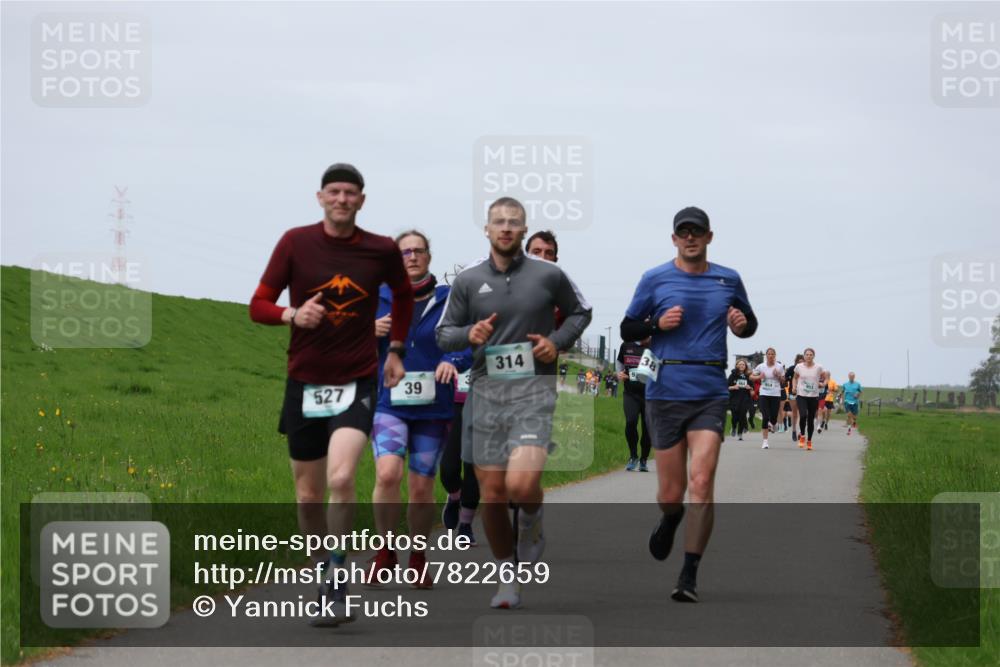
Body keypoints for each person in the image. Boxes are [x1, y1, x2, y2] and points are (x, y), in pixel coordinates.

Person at [249, 163, 413, 626]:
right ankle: (321, 568)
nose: (342, 200)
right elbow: (257, 304)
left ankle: (339, 575)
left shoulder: (380, 249)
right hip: (304, 380)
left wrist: (395, 350)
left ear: (362, 200)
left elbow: (402, 297)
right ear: (320, 197)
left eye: (351, 193)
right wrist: (290, 315)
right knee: (307, 496)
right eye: (334, 192)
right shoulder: (295, 243)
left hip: (356, 378)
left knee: (341, 480)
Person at [436, 196, 592, 609]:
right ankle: (507, 576)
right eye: (498, 222)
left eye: (514, 223)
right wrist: (468, 335)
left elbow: (581, 312)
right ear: (487, 230)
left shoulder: (549, 274)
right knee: (490, 493)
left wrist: (555, 343)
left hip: (532, 392)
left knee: (522, 485)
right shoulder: (468, 281)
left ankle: (532, 520)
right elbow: (443, 333)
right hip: (486, 393)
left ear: (524, 231)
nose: (506, 228)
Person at [620, 205, 757, 603]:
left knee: (701, 483)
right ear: (675, 238)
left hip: (710, 390)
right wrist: (655, 326)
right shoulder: (654, 278)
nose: (691, 238)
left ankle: (688, 574)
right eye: (684, 232)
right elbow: (629, 327)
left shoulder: (727, 279)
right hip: (665, 392)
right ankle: (670, 517)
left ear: (709, 237)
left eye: (697, 232)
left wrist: (742, 326)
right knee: (670, 492)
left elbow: (749, 322)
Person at [369, 230, 471, 588]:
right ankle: (384, 551)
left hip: (433, 407)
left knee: (421, 486)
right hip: (389, 403)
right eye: (404, 252)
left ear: (429, 256)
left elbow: (469, 340)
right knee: (387, 475)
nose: (411, 256)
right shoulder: (379, 297)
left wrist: (454, 361)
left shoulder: (449, 300)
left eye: (419, 251)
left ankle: (417, 556)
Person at [618, 337, 653, 471]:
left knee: (647, 428)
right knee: (630, 421)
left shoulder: (655, 346)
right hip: (630, 394)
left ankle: (644, 459)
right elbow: (619, 362)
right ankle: (633, 456)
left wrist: (632, 376)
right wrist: (619, 373)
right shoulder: (626, 345)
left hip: (650, 396)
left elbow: (652, 374)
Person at [750, 348, 785, 449]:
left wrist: (778, 375)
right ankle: (765, 441)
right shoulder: (761, 366)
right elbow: (751, 377)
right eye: (769, 354)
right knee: (765, 416)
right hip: (764, 393)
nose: (771, 356)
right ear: (766, 355)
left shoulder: (779, 366)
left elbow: (783, 381)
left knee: (773, 417)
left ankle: (773, 424)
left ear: (775, 355)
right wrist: (759, 377)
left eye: (772, 354)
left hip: (775, 394)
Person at [792, 348, 826, 451]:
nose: (809, 356)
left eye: (811, 355)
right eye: (807, 354)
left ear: (813, 356)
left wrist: (823, 384)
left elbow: (825, 377)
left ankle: (809, 441)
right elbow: (795, 377)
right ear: (804, 356)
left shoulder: (818, 367)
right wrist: (794, 387)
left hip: (813, 396)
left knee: (811, 419)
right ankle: (802, 435)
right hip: (801, 395)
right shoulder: (799, 367)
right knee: (803, 415)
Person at [726, 359, 753, 441]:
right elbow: (726, 387)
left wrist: (750, 387)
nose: (741, 366)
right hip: (734, 399)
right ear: (737, 365)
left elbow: (752, 388)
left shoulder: (748, 376)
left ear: (745, 366)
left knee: (742, 416)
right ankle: (734, 427)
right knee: (734, 417)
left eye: (743, 364)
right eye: (740, 364)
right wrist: (733, 387)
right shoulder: (732, 375)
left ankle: (740, 433)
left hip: (745, 399)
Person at [786, 353, 803, 441]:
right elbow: (785, 378)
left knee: (802, 413)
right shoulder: (792, 368)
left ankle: (801, 431)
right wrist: (788, 380)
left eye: (802, 362)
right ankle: (793, 431)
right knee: (794, 413)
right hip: (793, 392)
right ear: (796, 362)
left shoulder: (806, 369)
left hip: (803, 393)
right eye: (798, 362)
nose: (800, 364)